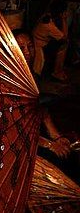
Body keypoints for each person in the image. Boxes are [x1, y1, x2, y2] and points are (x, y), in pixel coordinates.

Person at [13, 29, 71, 159]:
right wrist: (50, 145)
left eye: (30, 46)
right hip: (16, 139)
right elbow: (16, 128)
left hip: (34, 132)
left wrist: (57, 136)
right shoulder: (8, 83)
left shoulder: (32, 76)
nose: (27, 52)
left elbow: (42, 110)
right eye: (21, 48)